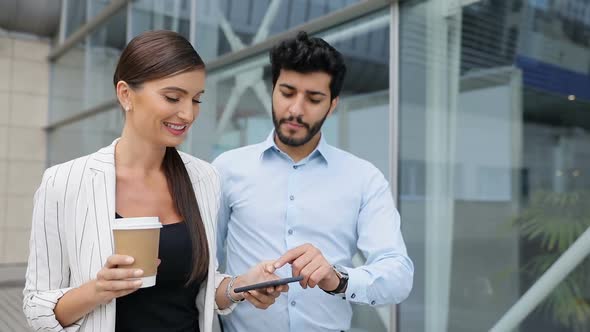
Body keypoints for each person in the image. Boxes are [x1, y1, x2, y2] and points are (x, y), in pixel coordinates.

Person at [23, 30, 286, 332]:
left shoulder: (204, 178)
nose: (188, 114)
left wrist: (240, 286)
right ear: (125, 94)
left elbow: (200, 289)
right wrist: (98, 290)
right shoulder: (64, 182)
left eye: (196, 99)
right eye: (173, 97)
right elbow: (36, 308)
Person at [213, 31, 414, 332]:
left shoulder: (364, 178)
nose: (296, 109)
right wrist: (238, 286)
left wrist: (338, 279)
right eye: (287, 92)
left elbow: (399, 275)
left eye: (313, 98)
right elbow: (202, 272)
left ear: (332, 105)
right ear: (273, 90)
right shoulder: (226, 169)